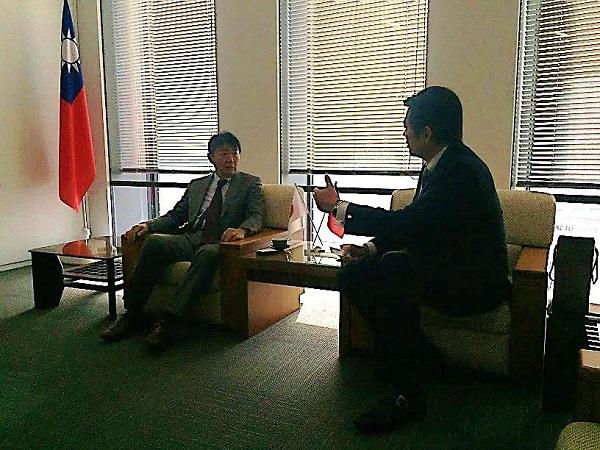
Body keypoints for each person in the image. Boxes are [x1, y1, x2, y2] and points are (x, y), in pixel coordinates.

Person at [313, 86, 510, 433]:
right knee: (354, 274)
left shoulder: (462, 171)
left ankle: (408, 394)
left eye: (407, 126)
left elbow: (408, 223)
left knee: (395, 269)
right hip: (445, 268)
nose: (403, 133)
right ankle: (421, 357)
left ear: (427, 133)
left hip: (475, 283)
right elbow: (417, 226)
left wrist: (338, 207)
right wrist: (369, 249)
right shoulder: (439, 164)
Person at [101, 131, 264, 352]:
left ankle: (170, 322)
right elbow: (176, 216)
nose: (231, 159)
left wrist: (242, 230)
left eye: (235, 154)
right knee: (155, 242)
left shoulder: (250, 183)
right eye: (224, 154)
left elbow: (256, 215)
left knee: (207, 254)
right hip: (191, 237)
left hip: (220, 243)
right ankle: (133, 314)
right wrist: (149, 225)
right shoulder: (197, 185)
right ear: (211, 157)